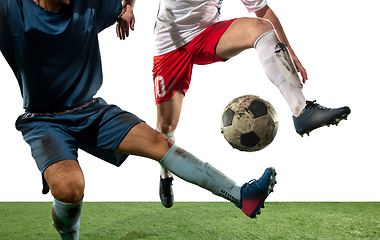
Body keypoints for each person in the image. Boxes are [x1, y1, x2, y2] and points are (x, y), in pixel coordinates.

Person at [0, 0, 277, 239]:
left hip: (93, 111)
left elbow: (122, 3)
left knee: (160, 143)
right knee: (71, 189)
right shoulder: (11, 10)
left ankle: (243, 195)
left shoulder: (89, 4)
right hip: (45, 121)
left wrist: (129, 8)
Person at [116, 0, 351, 208]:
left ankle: (301, 111)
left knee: (261, 29)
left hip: (207, 34)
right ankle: (165, 175)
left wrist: (289, 52)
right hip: (170, 45)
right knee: (166, 125)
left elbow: (263, 10)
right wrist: (128, 7)